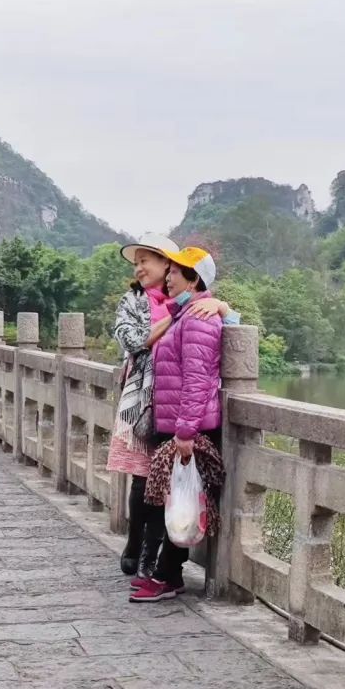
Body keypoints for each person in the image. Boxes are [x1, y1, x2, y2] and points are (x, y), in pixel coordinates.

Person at [108, 234, 229, 583]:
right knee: (144, 478)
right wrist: (180, 313)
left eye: (147, 260)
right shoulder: (137, 300)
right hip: (144, 398)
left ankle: (154, 558)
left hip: (176, 404)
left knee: (164, 482)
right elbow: (132, 341)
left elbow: (214, 334)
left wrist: (219, 307)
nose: (140, 267)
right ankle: (136, 547)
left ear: (168, 265)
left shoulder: (192, 304)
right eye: (137, 262)